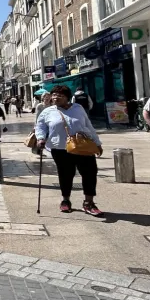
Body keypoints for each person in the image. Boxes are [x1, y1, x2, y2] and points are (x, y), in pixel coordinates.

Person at [35, 86, 104, 216]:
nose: (55, 97)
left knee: (89, 173)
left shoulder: (78, 108)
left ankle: (89, 203)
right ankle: (65, 201)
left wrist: (97, 143)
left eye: (59, 95)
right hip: (60, 148)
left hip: (83, 146)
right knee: (65, 174)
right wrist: (41, 138)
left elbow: (88, 125)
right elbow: (40, 126)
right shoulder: (47, 111)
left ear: (67, 97)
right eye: (54, 95)